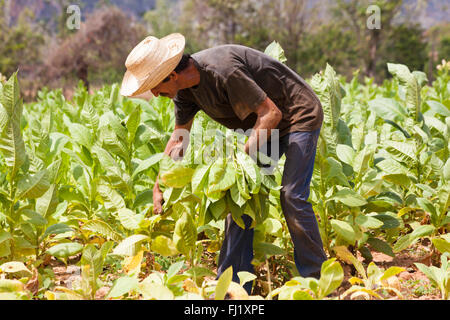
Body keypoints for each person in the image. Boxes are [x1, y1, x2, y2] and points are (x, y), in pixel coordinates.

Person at [120, 33, 328, 294]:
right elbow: (178, 138)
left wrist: (241, 157)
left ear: (171, 76)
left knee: (292, 195)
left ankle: (320, 281)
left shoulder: (224, 70)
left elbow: (272, 113)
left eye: (154, 86)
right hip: (263, 126)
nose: (154, 93)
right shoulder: (184, 92)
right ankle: (234, 288)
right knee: (239, 197)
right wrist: (160, 183)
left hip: (298, 116)